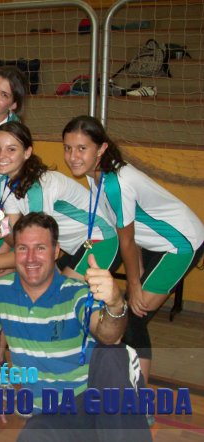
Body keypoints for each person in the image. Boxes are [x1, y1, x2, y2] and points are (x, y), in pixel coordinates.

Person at [0, 212, 152, 442]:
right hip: (54, 414)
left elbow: (108, 335)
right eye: (22, 248)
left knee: (113, 355)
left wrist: (115, 303)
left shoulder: (76, 293)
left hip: (95, 398)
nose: (30, 258)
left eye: (40, 248)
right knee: (32, 434)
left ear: (56, 252)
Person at [62, 115, 204, 389]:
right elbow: (125, 230)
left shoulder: (116, 182)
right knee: (126, 313)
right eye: (68, 148)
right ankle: (117, 382)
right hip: (155, 243)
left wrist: (135, 284)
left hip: (181, 244)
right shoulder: (96, 175)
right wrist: (136, 271)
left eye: (82, 148)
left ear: (101, 149)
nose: (73, 156)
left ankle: (140, 398)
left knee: (132, 317)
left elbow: (126, 239)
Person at [0, 121, 120, 280]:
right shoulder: (9, 182)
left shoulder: (39, 188)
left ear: (27, 152)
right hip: (72, 247)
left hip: (100, 241)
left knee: (64, 302)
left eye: (11, 149)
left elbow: (33, 250)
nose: (1, 155)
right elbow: (16, 241)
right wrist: (5, 231)